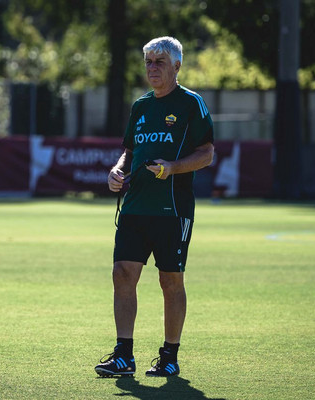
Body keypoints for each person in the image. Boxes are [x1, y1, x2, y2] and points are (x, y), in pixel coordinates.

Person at [95, 36, 214, 378]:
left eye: (159, 61)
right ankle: (123, 355)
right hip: (135, 207)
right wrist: (118, 170)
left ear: (177, 66)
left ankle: (169, 356)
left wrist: (173, 168)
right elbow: (130, 151)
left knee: (170, 280)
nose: (152, 68)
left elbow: (206, 153)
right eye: (148, 61)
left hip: (172, 210)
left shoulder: (191, 103)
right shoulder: (141, 106)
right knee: (122, 273)